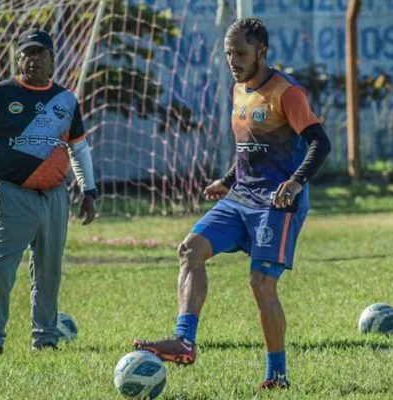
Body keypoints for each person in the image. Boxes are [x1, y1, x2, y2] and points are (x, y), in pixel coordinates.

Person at [134, 18, 331, 389]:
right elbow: (251, 149)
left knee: (261, 283)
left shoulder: (287, 93)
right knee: (190, 250)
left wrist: (294, 182)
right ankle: (184, 340)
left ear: (262, 52)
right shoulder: (239, 90)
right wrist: (226, 181)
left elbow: (321, 143)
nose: (232, 60)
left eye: (240, 52)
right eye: (228, 53)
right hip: (241, 197)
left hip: (277, 204)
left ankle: (277, 374)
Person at [0, 28, 97, 357]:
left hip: (55, 197)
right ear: (18, 57)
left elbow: (78, 150)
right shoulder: (0, 94)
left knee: (49, 272)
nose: (34, 59)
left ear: (53, 59)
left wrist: (88, 190)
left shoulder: (66, 100)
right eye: (28, 52)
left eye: (41, 53)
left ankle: (46, 338)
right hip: (13, 194)